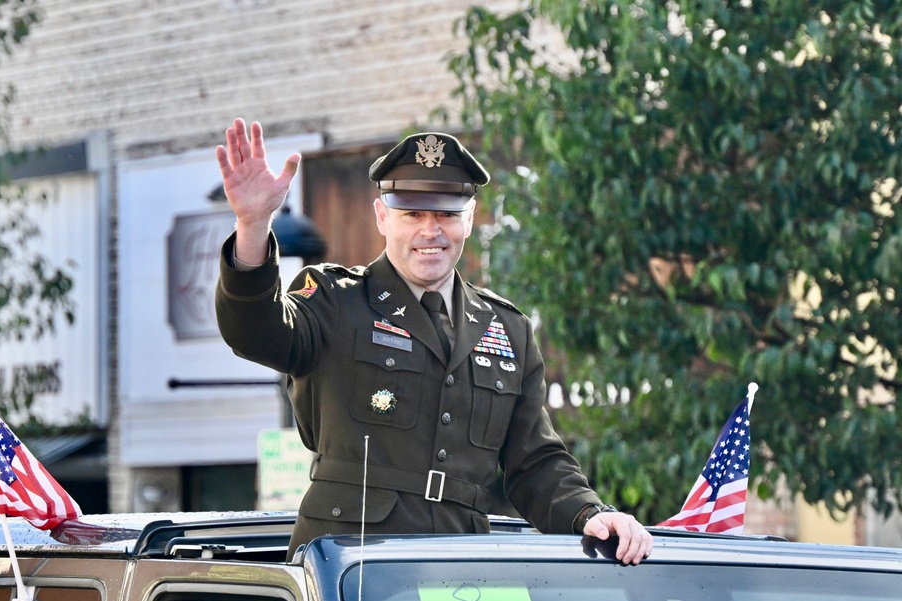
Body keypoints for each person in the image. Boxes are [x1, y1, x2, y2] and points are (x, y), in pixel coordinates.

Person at [214, 118, 654, 564]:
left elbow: (535, 461)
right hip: (354, 566)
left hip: (462, 559)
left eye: (446, 214)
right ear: (382, 217)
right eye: (412, 214)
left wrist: (589, 513)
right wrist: (253, 226)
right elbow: (255, 332)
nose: (431, 231)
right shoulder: (334, 300)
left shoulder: (506, 328)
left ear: (469, 219)